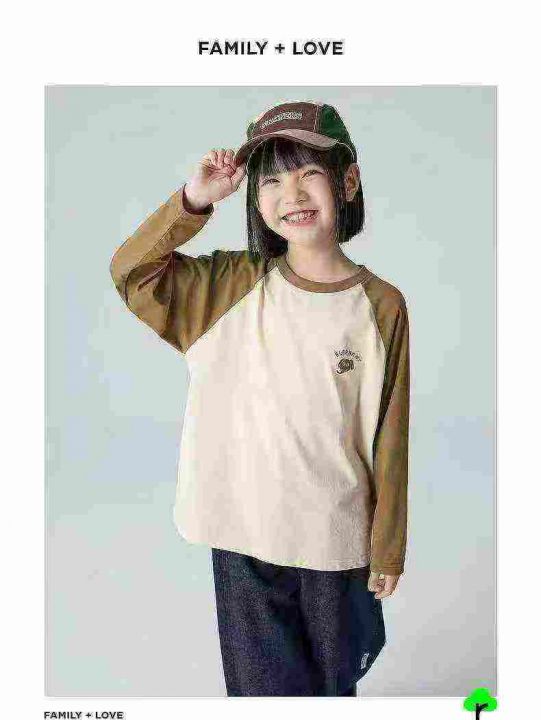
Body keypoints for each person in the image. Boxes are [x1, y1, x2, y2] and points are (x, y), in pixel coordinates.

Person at [109, 101, 410, 697]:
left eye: (308, 173)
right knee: (260, 693)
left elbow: (391, 434)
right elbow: (131, 271)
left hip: (334, 537)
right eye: (270, 179)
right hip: (244, 534)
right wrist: (193, 201)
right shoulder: (226, 287)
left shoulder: (381, 306)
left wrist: (387, 547)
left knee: (331, 687)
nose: (290, 193)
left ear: (347, 181)